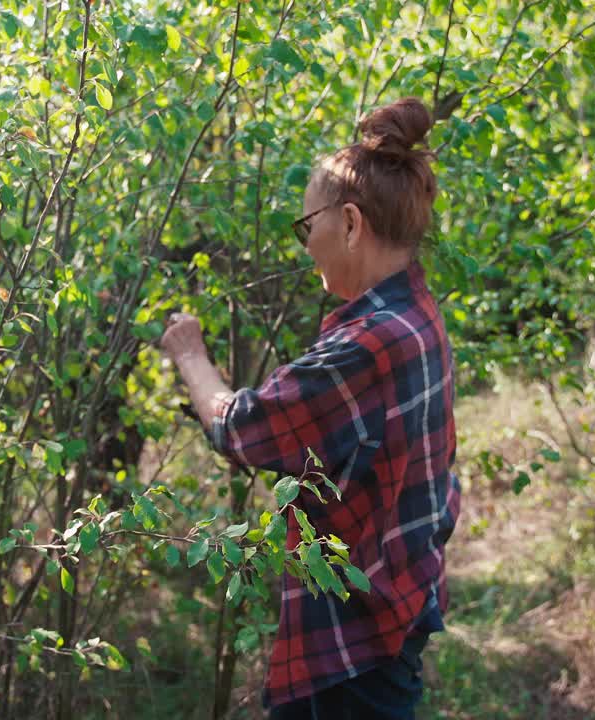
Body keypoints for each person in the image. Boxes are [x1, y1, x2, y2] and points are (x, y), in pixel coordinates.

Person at [160, 97, 460, 720]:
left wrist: (190, 355)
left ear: (349, 224)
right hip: (399, 604)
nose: (306, 247)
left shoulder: (369, 345)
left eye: (307, 227)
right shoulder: (416, 315)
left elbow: (242, 427)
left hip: (354, 644)